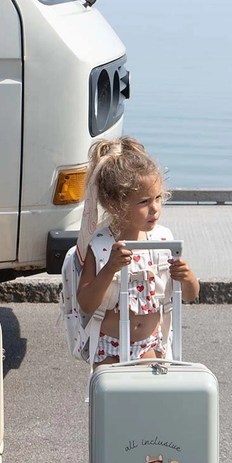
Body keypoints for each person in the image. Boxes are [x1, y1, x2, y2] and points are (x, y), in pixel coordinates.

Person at [76, 136, 199, 366]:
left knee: (147, 398)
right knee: (112, 399)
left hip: (149, 346)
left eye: (158, 198)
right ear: (116, 204)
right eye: (144, 202)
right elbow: (85, 303)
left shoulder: (163, 241)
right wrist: (110, 268)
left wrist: (187, 277)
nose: (155, 208)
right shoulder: (102, 245)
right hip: (108, 346)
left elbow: (191, 295)